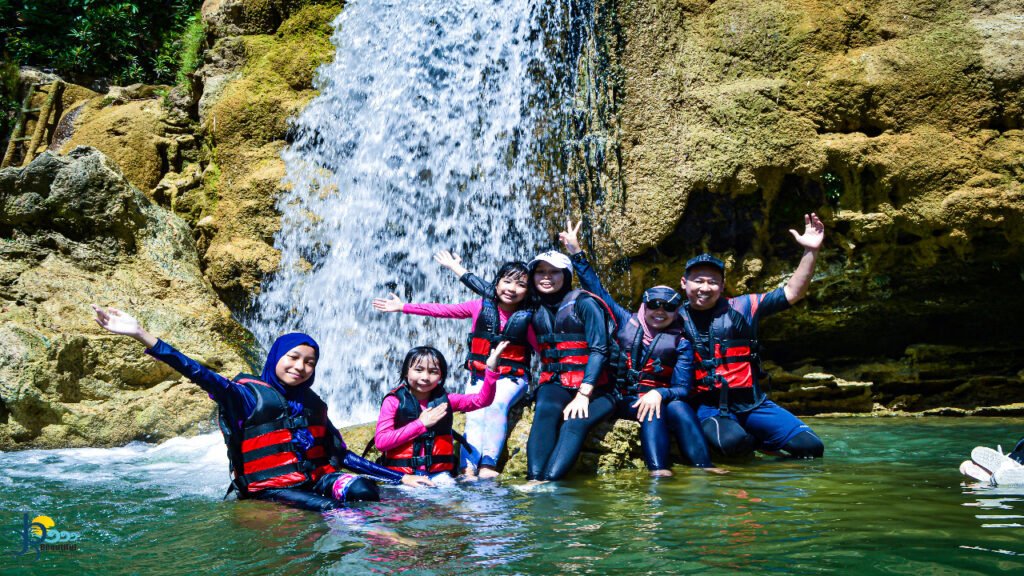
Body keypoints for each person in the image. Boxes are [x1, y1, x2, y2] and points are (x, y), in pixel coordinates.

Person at [91, 305, 433, 512]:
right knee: (332, 510)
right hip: (273, 488)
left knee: (363, 491)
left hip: (314, 479)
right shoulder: (246, 394)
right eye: (293, 358)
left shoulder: (313, 404)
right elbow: (197, 372)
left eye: (309, 362)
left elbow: (340, 455)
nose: (300, 367)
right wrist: (141, 334)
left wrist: (400, 479)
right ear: (276, 358)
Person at [557, 219, 725, 476]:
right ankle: (659, 469)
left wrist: (660, 393)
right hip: (622, 397)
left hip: (658, 397)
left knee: (676, 406)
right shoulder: (626, 322)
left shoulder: (681, 341)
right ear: (645, 305)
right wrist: (576, 253)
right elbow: (597, 290)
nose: (660, 311)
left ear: (675, 310)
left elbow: (682, 388)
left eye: (668, 307)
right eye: (654, 304)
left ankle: (704, 466)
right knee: (649, 409)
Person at [372, 251, 536, 479]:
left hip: (512, 378)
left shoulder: (529, 318)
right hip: (478, 376)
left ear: (528, 291)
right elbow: (442, 310)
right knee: (476, 414)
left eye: (520, 285)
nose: (511, 288)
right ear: (496, 283)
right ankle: (467, 467)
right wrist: (403, 307)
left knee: (497, 405)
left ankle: (488, 463)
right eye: (506, 281)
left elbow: (545, 351)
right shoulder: (479, 306)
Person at [678, 213, 826, 459]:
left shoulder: (744, 307)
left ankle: (762, 441)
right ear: (684, 283)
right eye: (698, 281)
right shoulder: (672, 318)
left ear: (723, 286)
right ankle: (751, 440)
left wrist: (811, 251)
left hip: (753, 402)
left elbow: (793, 292)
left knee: (811, 448)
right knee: (733, 445)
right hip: (710, 407)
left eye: (713, 282)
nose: (705, 288)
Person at [521, 249, 617, 482]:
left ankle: (549, 481)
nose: (546, 277)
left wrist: (584, 393)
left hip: (599, 389)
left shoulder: (584, 303)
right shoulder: (533, 306)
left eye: (554, 272)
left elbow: (599, 349)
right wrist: (460, 271)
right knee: (545, 410)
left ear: (566, 275)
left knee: (575, 421)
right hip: (556, 383)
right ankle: (535, 480)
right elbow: (498, 292)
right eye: (540, 271)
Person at [374, 342, 506, 478]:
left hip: (439, 475)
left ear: (441, 376)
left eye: (433, 372)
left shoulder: (446, 401)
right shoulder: (393, 401)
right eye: (418, 370)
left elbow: (482, 400)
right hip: (402, 477)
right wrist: (420, 424)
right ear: (406, 372)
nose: (425, 377)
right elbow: (381, 442)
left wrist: (491, 369)